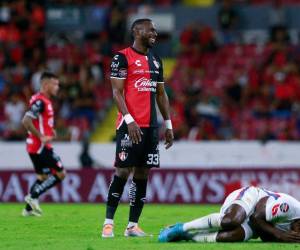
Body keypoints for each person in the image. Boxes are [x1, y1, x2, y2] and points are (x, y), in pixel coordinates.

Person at [101, 18, 174, 238]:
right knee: (123, 171)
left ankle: (132, 225)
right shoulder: (121, 57)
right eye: (150, 29)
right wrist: (130, 119)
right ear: (136, 31)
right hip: (128, 125)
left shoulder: (156, 60)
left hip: (150, 127)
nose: (154, 33)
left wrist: (168, 124)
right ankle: (108, 223)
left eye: (155, 30)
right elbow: (117, 93)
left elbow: (161, 94)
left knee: (143, 174)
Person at [158, 186, 300, 243]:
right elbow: (257, 215)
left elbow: (265, 235)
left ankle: (187, 236)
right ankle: (181, 228)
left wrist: (277, 236)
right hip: (252, 197)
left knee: (231, 236)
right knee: (231, 221)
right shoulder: (291, 207)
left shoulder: (293, 235)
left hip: (257, 223)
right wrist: (279, 234)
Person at [22, 72, 66, 216]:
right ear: (46, 85)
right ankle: (33, 196)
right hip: (40, 146)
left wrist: (49, 129)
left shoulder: (40, 99)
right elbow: (26, 121)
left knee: (42, 177)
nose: (57, 87)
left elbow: (38, 120)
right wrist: (41, 136)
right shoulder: (40, 101)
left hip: (33, 146)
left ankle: (27, 210)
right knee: (61, 173)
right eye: (55, 84)